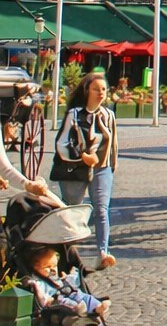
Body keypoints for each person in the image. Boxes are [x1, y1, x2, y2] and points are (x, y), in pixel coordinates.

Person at [51, 73, 117, 270]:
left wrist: (111, 166)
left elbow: (113, 145)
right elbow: (61, 144)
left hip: (102, 168)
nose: (101, 93)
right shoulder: (74, 114)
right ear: (87, 90)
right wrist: (82, 157)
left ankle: (103, 253)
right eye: (97, 89)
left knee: (102, 210)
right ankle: (68, 253)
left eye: (104, 90)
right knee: (73, 209)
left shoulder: (109, 115)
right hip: (75, 168)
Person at [23, 244, 109, 322]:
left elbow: (72, 282)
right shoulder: (40, 282)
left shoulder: (55, 277)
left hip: (70, 293)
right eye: (47, 267)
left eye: (54, 266)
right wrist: (46, 298)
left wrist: (70, 275)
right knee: (65, 302)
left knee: (85, 296)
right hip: (56, 300)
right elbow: (42, 297)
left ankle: (98, 307)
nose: (52, 269)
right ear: (37, 268)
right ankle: (76, 311)